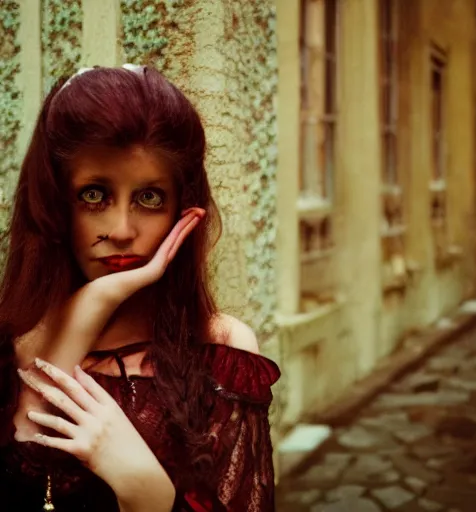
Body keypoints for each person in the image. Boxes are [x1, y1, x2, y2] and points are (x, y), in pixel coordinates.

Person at [0, 64, 280, 511]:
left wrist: (146, 490)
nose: (122, 229)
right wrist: (95, 301)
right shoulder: (13, 340)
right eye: (94, 194)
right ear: (55, 204)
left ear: (180, 208)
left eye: (149, 197)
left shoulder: (222, 349)